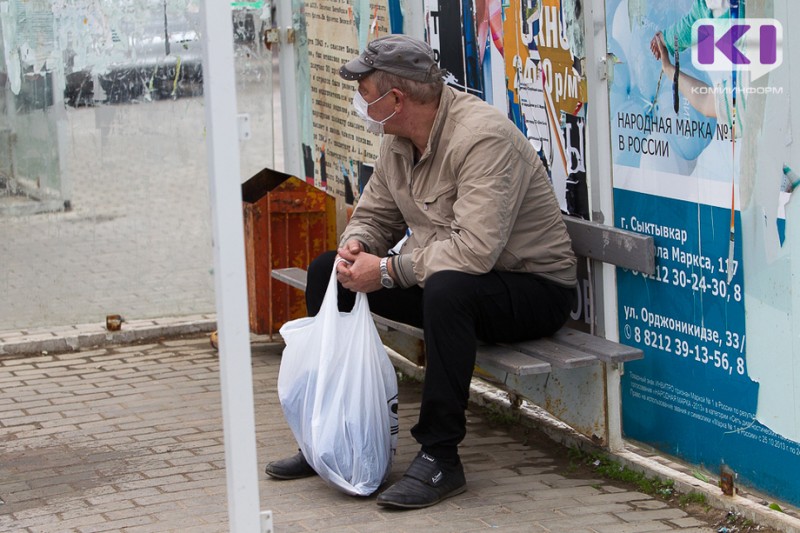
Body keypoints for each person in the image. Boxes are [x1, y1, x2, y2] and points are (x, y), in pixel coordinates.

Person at [264, 34, 577, 510]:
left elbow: (474, 252)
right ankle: (333, 436)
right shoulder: (398, 138)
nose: (360, 103)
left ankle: (440, 457)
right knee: (331, 270)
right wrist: (359, 246)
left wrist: (387, 272)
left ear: (396, 99)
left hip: (532, 289)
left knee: (449, 290)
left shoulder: (482, 138)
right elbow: (376, 216)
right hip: (452, 281)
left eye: (365, 94)